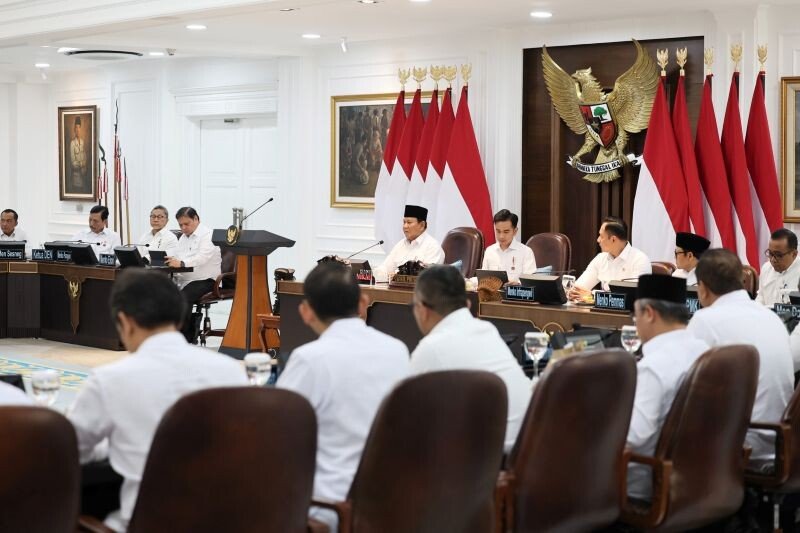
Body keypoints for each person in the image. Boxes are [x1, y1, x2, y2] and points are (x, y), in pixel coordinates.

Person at [67, 268, 247, 531]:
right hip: (226, 520)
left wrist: (112, 445)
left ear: (125, 321)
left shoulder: (110, 380)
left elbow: (69, 450)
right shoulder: (230, 371)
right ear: (179, 316)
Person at [277, 261, 409, 529]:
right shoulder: (397, 350)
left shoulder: (310, 359)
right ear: (363, 303)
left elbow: (277, 434)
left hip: (328, 508)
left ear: (305, 312)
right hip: (391, 502)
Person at [409, 264, 532, 450]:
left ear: (422, 310)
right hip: (523, 449)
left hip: (487, 458)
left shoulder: (431, 348)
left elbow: (406, 416)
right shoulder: (488, 330)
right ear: (467, 304)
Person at [687, 248, 793, 463]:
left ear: (703, 288)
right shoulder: (771, 318)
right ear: (741, 281)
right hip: (782, 443)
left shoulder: (705, 320)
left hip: (740, 446)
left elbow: (682, 385)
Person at [626, 274, 709, 498]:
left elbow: (632, 438)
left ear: (649, 313)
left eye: (635, 315)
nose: (636, 323)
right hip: (695, 480)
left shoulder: (654, 367)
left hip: (644, 484)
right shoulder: (704, 351)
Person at [164, 207, 222, 343]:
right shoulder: (183, 237)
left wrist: (182, 263)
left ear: (196, 219)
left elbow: (202, 258)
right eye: (180, 225)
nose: (183, 228)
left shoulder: (208, 235)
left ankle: (183, 339)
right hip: (184, 279)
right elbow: (178, 256)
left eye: (186, 224)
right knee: (160, 292)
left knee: (183, 297)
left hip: (206, 280)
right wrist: (171, 260)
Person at [571, 216, 651, 297]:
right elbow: (578, 289)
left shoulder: (640, 260)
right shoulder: (600, 258)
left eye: (601, 236)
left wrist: (592, 295)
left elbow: (633, 297)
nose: (598, 240)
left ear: (613, 239)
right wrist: (573, 293)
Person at [373, 205, 445, 282]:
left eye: (409, 222)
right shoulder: (400, 245)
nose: (405, 226)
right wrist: (373, 274)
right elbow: (385, 268)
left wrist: (396, 275)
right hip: (396, 288)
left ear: (422, 225)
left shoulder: (433, 246)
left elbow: (427, 277)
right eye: (404, 222)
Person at [481, 209, 537, 283]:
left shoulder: (526, 252)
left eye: (506, 232)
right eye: (498, 231)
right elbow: (483, 279)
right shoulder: (489, 251)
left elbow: (530, 281)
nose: (501, 236)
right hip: (493, 290)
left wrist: (517, 283)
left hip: (516, 290)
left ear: (515, 231)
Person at [755, 228, 800, 307]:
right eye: (770, 254)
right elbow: (760, 299)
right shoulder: (766, 268)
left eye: (779, 255)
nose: (773, 260)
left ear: (794, 254)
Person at [70, 116, 88, 190]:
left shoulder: (82, 142)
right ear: (74, 129)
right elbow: (73, 162)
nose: (77, 130)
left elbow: (85, 157)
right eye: (76, 128)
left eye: (79, 127)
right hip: (76, 178)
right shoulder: (72, 143)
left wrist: (84, 164)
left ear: (80, 129)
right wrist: (82, 164)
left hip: (83, 177)